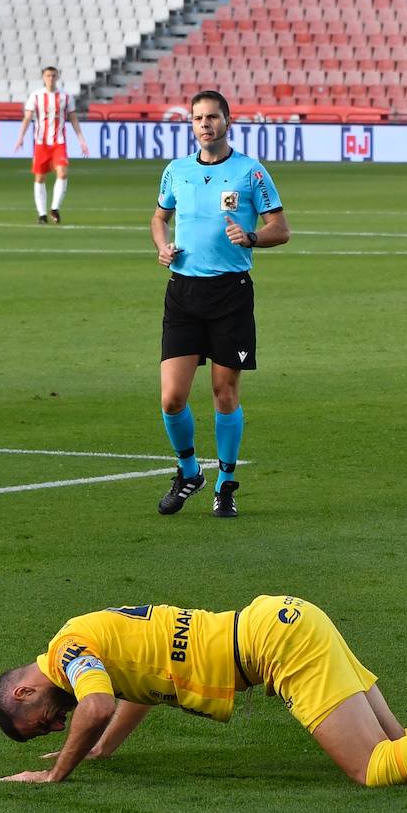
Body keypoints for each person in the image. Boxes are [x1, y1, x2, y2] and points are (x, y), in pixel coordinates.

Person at [0, 594, 407, 791]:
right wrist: (100, 751)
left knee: (375, 768)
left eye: (39, 723)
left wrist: (57, 773)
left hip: (276, 648)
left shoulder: (68, 652)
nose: (51, 726)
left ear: (22, 692)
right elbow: (135, 696)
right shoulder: (90, 646)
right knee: (401, 741)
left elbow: (92, 708)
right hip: (285, 618)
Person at [151, 90, 290, 519]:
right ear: (191, 124)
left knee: (223, 393)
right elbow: (160, 217)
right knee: (172, 398)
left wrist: (250, 238)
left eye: (212, 117)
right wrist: (161, 246)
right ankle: (190, 471)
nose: (204, 124)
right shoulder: (176, 171)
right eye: (197, 118)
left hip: (230, 294)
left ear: (228, 121)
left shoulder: (250, 172)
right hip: (184, 293)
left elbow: (280, 229)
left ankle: (226, 482)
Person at [12, 66, 89, 224]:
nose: (51, 78)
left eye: (53, 75)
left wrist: (82, 140)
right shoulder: (36, 96)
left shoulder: (66, 97)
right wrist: (20, 137)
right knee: (40, 178)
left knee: (62, 173)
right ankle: (41, 214)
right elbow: (27, 118)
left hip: (59, 142)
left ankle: (54, 208)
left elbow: (73, 119)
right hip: (41, 143)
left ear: (58, 77)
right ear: (43, 77)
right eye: (48, 75)